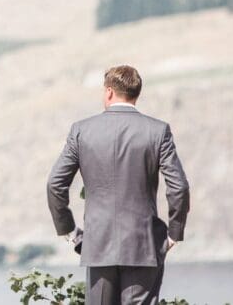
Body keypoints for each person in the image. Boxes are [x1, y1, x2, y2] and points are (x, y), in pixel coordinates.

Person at [46, 64, 190, 305]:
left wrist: (69, 230)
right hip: (144, 245)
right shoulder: (158, 131)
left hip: (97, 244)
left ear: (109, 92)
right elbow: (179, 187)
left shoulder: (81, 131)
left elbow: (55, 184)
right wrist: (175, 232)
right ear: (136, 93)